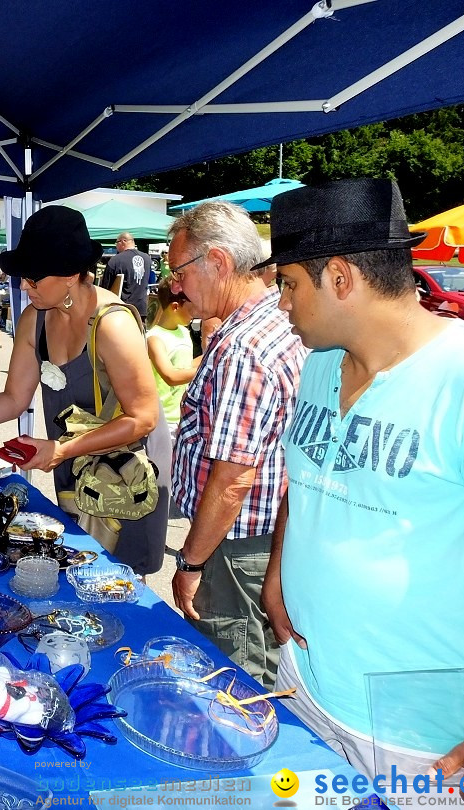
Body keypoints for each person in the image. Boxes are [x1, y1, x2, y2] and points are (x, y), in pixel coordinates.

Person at [259, 177, 464, 794]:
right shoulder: (319, 363)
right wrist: (277, 570)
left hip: (420, 733)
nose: (280, 304)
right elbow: (305, 475)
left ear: (340, 277)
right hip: (307, 681)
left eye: (287, 284)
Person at [0, 205, 172, 576]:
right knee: (77, 568)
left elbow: (144, 418)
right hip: (73, 463)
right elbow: (14, 399)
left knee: (113, 580)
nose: (24, 286)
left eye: (34, 278)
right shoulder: (34, 317)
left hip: (125, 475)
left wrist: (62, 449)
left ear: (71, 274)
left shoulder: (112, 325)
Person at [168, 200, 306, 690]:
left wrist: (190, 561)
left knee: (236, 684)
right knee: (251, 669)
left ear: (220, 263)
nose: (175, 286)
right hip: (258, 540)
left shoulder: (245, 347)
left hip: (237, 545)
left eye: (180, 272)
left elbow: (231, 480)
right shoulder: (271, 319)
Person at [146, 276, 199, 441]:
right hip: (164, 420)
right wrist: (208, 368)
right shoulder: (154, 338)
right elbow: (171, 376)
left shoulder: (183, 331)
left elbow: (186, 367)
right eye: (191, 308)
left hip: (182, 414)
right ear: (175, 306)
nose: (195, 313)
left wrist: (213, 355)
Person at [99, 232, 155, 313]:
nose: (116, 245)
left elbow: (105, 287)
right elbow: (151, 281)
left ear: (123, 241)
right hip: (142, 308)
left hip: (122, 309)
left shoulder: (116, 260)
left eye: (116, 242)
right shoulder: (147, 258)